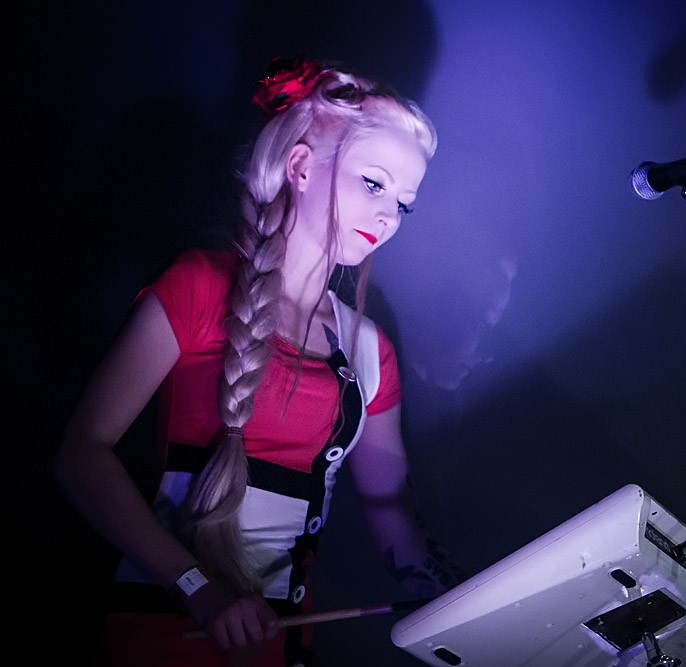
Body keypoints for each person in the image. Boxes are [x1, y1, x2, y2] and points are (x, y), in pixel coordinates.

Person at [54, 56, 464, 667]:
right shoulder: (198, 286)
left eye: (404, 204)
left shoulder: (371, 350)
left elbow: (391, 512)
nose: (388, 216)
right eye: (374, 183)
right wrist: (197, 588)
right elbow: (81, 455)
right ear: (301, 166)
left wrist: (466, 594)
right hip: (161, 637)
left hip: (281, 648)